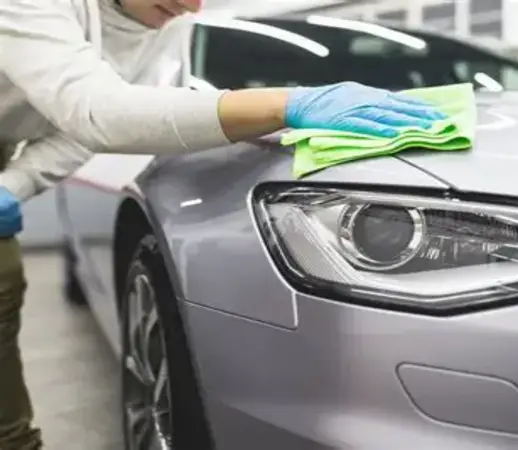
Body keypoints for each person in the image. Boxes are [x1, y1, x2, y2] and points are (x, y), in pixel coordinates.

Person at [0, 0, 446, 448]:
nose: (190, 4)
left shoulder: (170, 20)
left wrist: (14, 184)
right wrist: (288, 102)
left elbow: (80, 132)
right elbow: (105, 115)